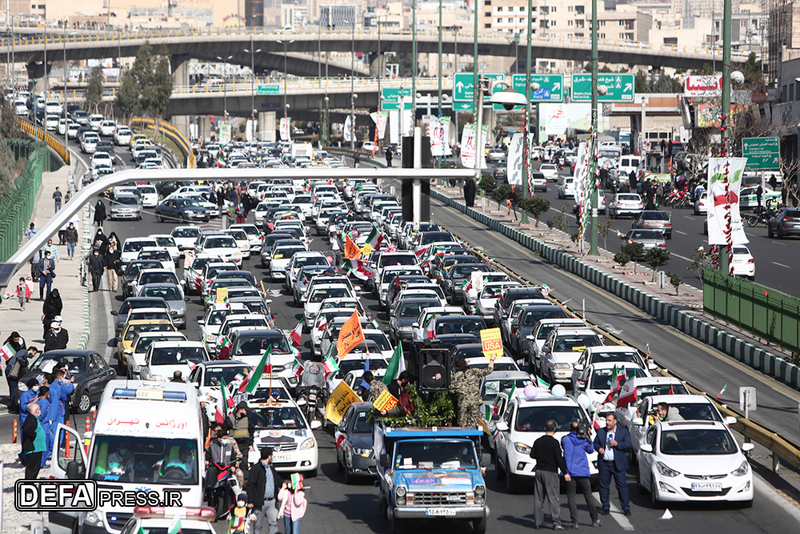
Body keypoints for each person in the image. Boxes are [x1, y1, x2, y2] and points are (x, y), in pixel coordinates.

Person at [530, 419, 569, 530]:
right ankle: (556, 522)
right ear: (554, 429)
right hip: (551, 472)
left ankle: (538, 522)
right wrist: (565, 472)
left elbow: (532, 454)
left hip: (539, 471)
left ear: (545, 429)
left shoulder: (538, 441)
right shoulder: (554, 443)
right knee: (553, 498)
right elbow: (559, 459)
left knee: (538, 498)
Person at [562, 421, 601, 528]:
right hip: (582, 472)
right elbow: (591, 450)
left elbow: (563, 445)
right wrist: (588, 436)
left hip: (570, 472)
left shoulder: (565, 439)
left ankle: (574, 521)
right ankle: (594, 519)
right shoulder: (584, 441)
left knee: (571, 496)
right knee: (588, 496)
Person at [593, 413, 632, 516]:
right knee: (603, 486)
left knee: (622, 486)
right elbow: (595, 443)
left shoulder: (622, 432)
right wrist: (599, 448)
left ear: (615, 421)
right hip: (604, 463)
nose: (607, 422)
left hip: (617, 463)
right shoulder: (601, 431)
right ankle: (605, 506)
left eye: (610, 421)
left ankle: (626, 507)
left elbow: (629, 444)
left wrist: (617, 444)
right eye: (606, 420)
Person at [245, 446, 282, 534]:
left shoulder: (271, 468)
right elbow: (250, 485)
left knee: (273, 524)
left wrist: (283, 483)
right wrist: (251, 501)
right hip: (259, 502)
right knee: (258, 527)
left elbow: (277, 479)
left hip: (272, 501)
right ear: (269, 456)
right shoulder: (256, 469)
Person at [449, 357, 495, 427]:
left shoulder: (455, 377)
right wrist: (492, 360)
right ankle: (472, 435)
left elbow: (451, 390)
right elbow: (488, 370)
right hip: (474, 402)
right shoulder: (474, 372)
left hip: (462, 403)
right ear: (466, 365)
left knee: (462, 423)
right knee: (473, 422)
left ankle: (464, 436)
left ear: (457, 368)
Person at [207, 427, 244, 495]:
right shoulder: (212, 447)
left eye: (226, 438)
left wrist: (233, 466)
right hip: (215, 469)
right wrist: (207, 462)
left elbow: (233, 458)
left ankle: (239, 499)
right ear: (219, 439)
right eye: (224, 439)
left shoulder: (230, 446)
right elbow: (207, 457)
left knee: (236, 486)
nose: (226, 440)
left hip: (228, 470)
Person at [224, 401, 255, 483]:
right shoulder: (230, 419)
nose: (246, 412)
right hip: (233, 446)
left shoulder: (247, 419)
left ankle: (245, 481)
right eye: (245, 410)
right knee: (233, 463)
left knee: (244, 463)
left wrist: (251, 444)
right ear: (240, 410)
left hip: (244, 445)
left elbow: (251, 432)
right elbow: (224, 430)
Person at [6, 346, 36, 413]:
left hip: (11, 371)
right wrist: (22, 361)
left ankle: (13, 405)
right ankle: (13, 406)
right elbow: (18, 357)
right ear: (31, 350)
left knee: (13, 388)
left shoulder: (24, 355)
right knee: (13, 389)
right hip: (11, 371)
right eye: (34, 353)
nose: (33, 356)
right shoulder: (24, 351)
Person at [22, 403, 47, 479]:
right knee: (32, 469)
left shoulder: (34, 418)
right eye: (39, 409)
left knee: (35, 469)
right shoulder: (30, 419)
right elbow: (26, 429)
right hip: (33, 449)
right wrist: (34, 435)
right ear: (36, 410)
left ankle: (30, 486)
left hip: (37, 448)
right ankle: (28, 488)